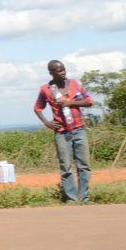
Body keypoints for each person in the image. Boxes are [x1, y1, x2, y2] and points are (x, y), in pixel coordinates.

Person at [34, 60, 95, 202]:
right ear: (51, 73)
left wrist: (70, 103)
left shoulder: (74, 84)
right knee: (66, 166)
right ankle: (71, 199)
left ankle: (84, 197)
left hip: (79, 129)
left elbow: (89, 101)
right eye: (59, 70)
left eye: (63, 69)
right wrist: (47, 122)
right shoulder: (46, 89)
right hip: (61, 132)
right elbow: (37, 108)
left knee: (84, 165)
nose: (63, 72)